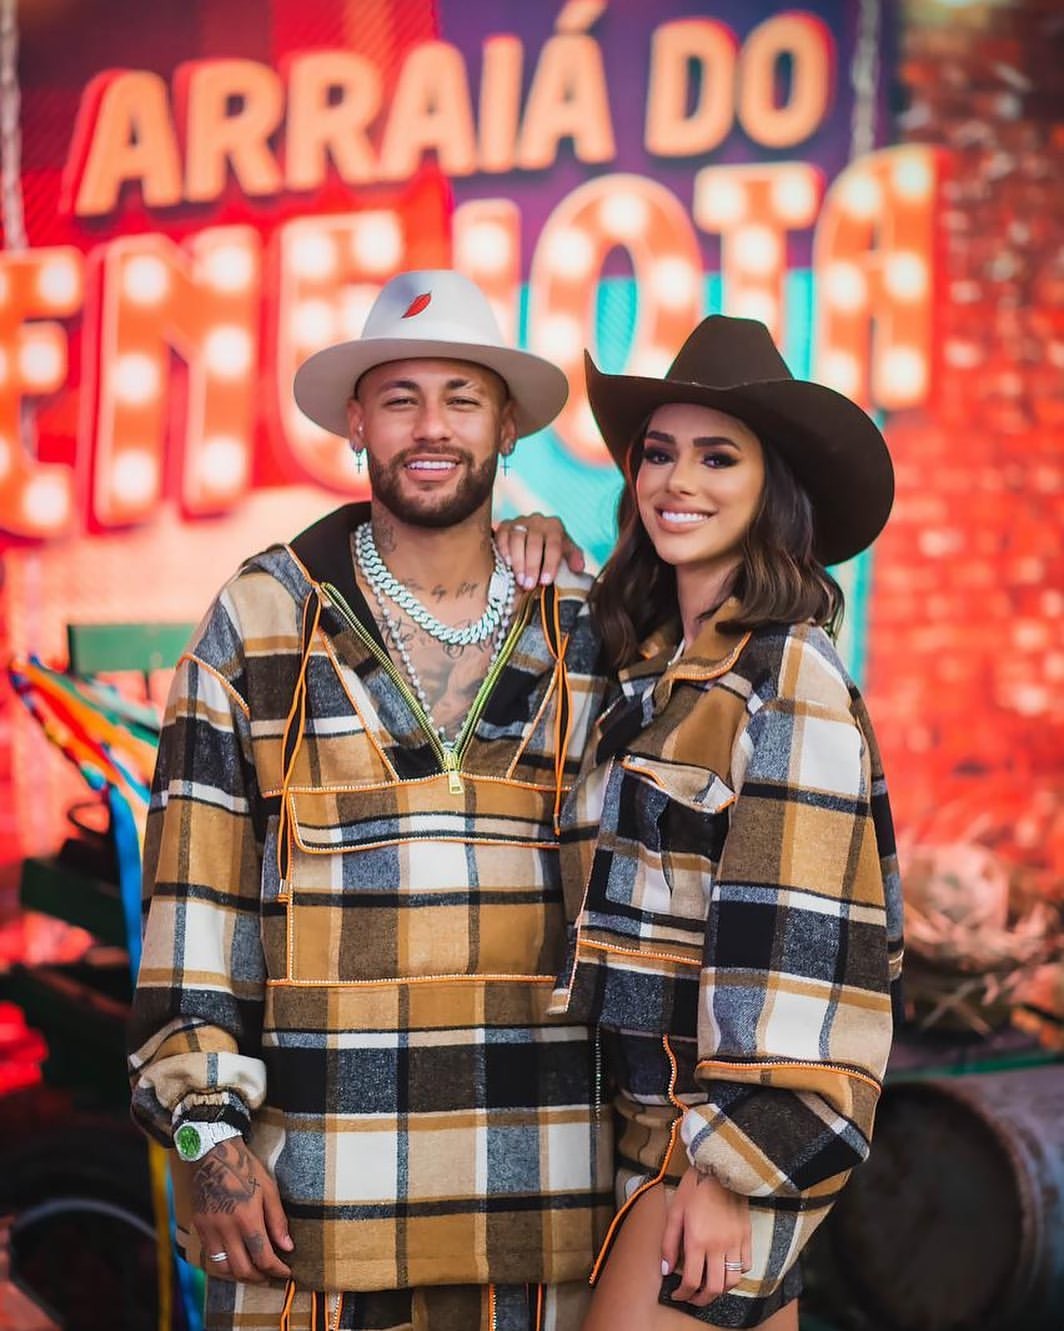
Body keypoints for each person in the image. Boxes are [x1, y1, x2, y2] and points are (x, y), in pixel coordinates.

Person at [127, 270, 614, 1331]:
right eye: (399, 398)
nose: (430, 426)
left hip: (548, 1209)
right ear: (356, 421)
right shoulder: (261, 617)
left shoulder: (585, 625)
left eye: (461, 396)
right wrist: (207, 1139)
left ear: (508, 427)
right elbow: (193, 907)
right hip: (314, 1208)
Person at [499, 315, 903, 1328]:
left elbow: (798, 945)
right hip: (637, 1132)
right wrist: (531, 539)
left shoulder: (782, 676)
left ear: (772, 488)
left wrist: (732, 1166)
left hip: (716, 1140)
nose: (676, 481)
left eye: (717, 456)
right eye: (658, 454)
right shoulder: (645, 675)